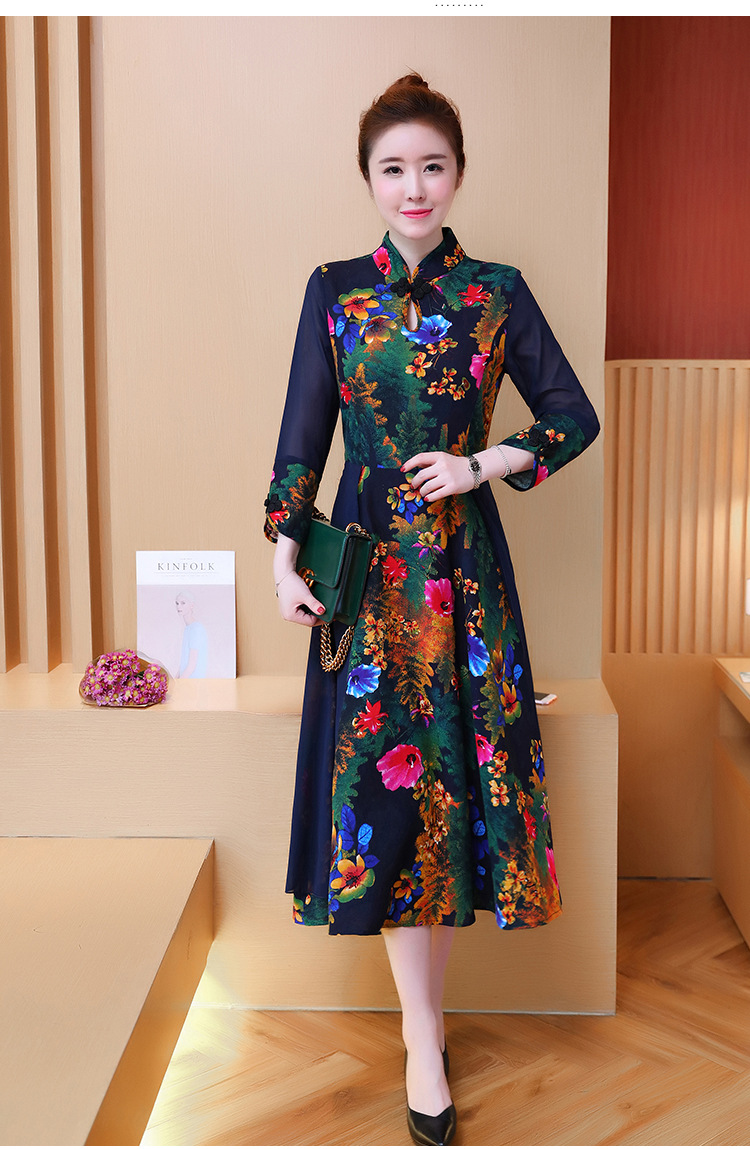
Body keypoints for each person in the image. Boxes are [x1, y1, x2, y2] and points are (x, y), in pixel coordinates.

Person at [264, 73, 599, 1146]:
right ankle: (421, 1033)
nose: (415, 186)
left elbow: (571, 415)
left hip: (463, 575)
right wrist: (285, 558)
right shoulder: (333, 291)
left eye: (433, 166)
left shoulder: (497, 292)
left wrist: (479, 463)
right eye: (394, 168)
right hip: (368, 581)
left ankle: (425, 1028)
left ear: (458, 174)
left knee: (449, 795)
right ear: (369, 179)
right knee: (387, 797)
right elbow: (301, 438)